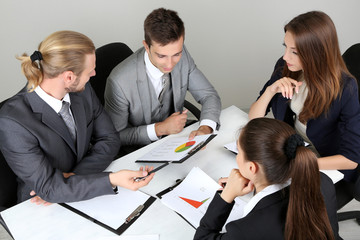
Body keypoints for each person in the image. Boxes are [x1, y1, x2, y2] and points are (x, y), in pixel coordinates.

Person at [0, 30, 154, 205]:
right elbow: (49, 189)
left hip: (69, 188)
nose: (94, 74)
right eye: (91, 70)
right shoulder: (13, 122)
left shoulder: (82, 90)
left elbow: (110, 139)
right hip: (41, 202)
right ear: (69, 77)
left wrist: (71, 181)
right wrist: (110, 180)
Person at [248, 11, 360, 182]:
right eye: (285, 47)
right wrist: (271, 90)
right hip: (295, 149)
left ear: (317, 53)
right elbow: (254, 119)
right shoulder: (285, 66)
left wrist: (299, 165)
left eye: (295, 52)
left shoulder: (346, 88)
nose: (286, 56)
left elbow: (351, 159)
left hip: (324, 161)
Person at [194, 118, 336, 240]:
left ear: (251, 168)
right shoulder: (322, 180)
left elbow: (203, 237)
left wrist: (227, 195)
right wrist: (257, 180)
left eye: (239, 152)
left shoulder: (245, 230)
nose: (237, 157)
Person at [104, 8, 221, 154]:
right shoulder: (119, 82)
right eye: (162, 56)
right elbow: (116, 135)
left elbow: (209, 95)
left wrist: (205, 127)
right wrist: (159, 128)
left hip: (177, 140)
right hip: (139, 150)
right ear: (147, 46)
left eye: (176, 54)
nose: (170, 64)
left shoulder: (182, 54)